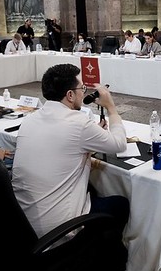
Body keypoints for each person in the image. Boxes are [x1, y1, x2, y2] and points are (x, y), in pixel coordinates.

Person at [12, 64, 129, 240]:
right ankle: (103, 254)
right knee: (121, 204)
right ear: (70, 95)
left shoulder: (30, 120)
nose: (84, 92)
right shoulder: (78, 123)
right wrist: (111, 107)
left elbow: (62, 146)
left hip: (24, 220)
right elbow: (119, 144)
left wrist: (91, 137)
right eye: (82, 88)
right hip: (58, 229)